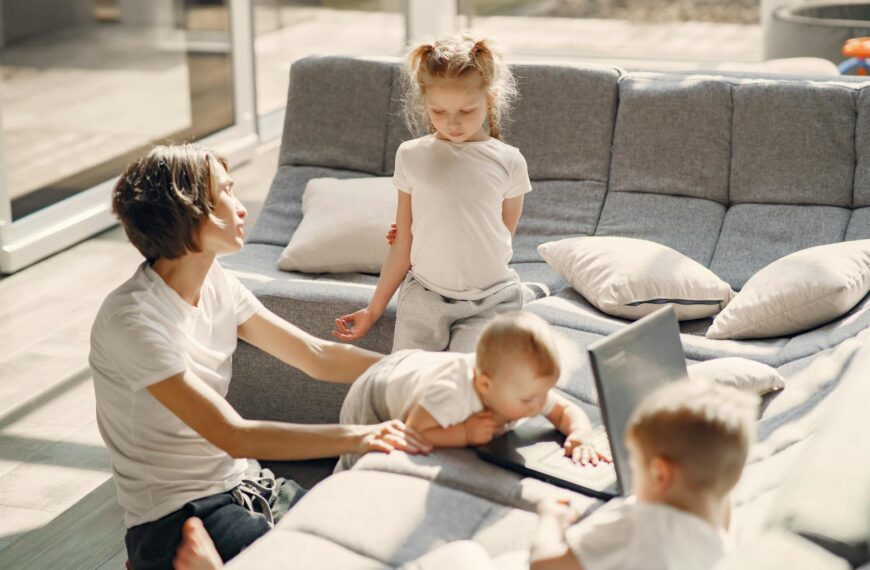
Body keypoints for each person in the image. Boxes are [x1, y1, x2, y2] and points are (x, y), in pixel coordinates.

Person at [90, 144, 431, 570]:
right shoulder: (132, 320)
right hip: (177, 518)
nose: (240, 206)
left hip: (248, 484)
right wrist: (360, 437)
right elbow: (234, 435)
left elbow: (316, 355)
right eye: (224, 193)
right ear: (186, 210)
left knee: (365, 545)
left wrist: (421, 369)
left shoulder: (216, 282)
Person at [332, 34, 531, 353]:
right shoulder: (411, 156)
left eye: (466, 110)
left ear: (489, 99)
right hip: (424, 297)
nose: (452, 123)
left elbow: (502, 235)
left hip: (491, 300)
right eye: (439, 111)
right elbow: (402, 243)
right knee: (411, 385)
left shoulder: (510, 161)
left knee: (470, 387)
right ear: (425, 103)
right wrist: (374, 309)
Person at [529, 379, 760, 570]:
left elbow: (544, 565)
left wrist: (550, 518)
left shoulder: (634, 523)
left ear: (659, 474)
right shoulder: (726, 545)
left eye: (634, 465)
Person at [336, 311, 611, 471]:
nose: (540, 406)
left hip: (419, 369)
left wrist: (581, 435)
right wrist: (464, 433)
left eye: (545, 393)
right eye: (529, 399)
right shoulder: (453, 393)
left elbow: (566, 411)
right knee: (363, 454)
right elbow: (414, 431)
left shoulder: (526, 390)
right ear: (484, 385)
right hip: (375, 395)